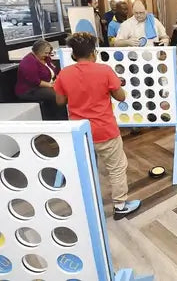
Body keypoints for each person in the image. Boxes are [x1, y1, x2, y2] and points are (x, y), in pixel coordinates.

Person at [54, 32, 141, 220]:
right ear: (94, 52)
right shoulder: (105, 70)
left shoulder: (64, 74)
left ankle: (86, 205)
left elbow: (60, 101)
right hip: (105, 130)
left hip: (80, 132)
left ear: (73, 54)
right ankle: (120, 206)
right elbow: (121, 97)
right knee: (117, 167)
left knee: (85, 167)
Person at [15, 40, 67, 120]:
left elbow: (53, 70)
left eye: (48, 53)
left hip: (46, 84)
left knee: (64, 89)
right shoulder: (28, 62)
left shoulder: (46, 58)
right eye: (45, 53)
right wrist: (52, 85)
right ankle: (61, 119)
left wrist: (57, 81)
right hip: (30, 90)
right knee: (57, 94)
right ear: (37, 52)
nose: (47, 55)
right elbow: (35, 81)